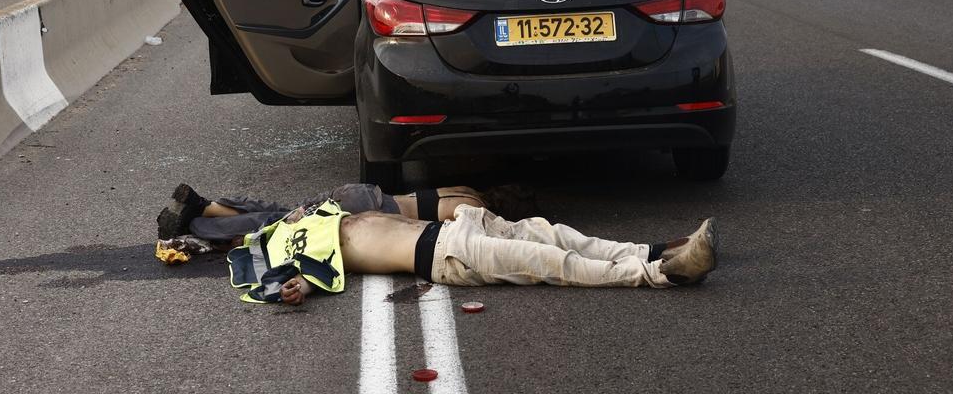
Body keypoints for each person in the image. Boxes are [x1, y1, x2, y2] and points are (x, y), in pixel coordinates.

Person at [220, 197, 717, 304]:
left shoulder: (310, 215)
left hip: (458, 227)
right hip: (444, 257)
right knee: (550, 263)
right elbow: (301, 275)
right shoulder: (279, 247)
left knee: (555, 234)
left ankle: (651, 247)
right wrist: (295, 287)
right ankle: (662, 273)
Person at [155, 181, 534, 249]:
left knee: (281, 214)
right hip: (368, 208)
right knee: (273, 227)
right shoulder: (473, 209)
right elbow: (440, 233)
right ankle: (194, 224)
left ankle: (203, 205)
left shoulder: (467, 189)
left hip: (363, 192)